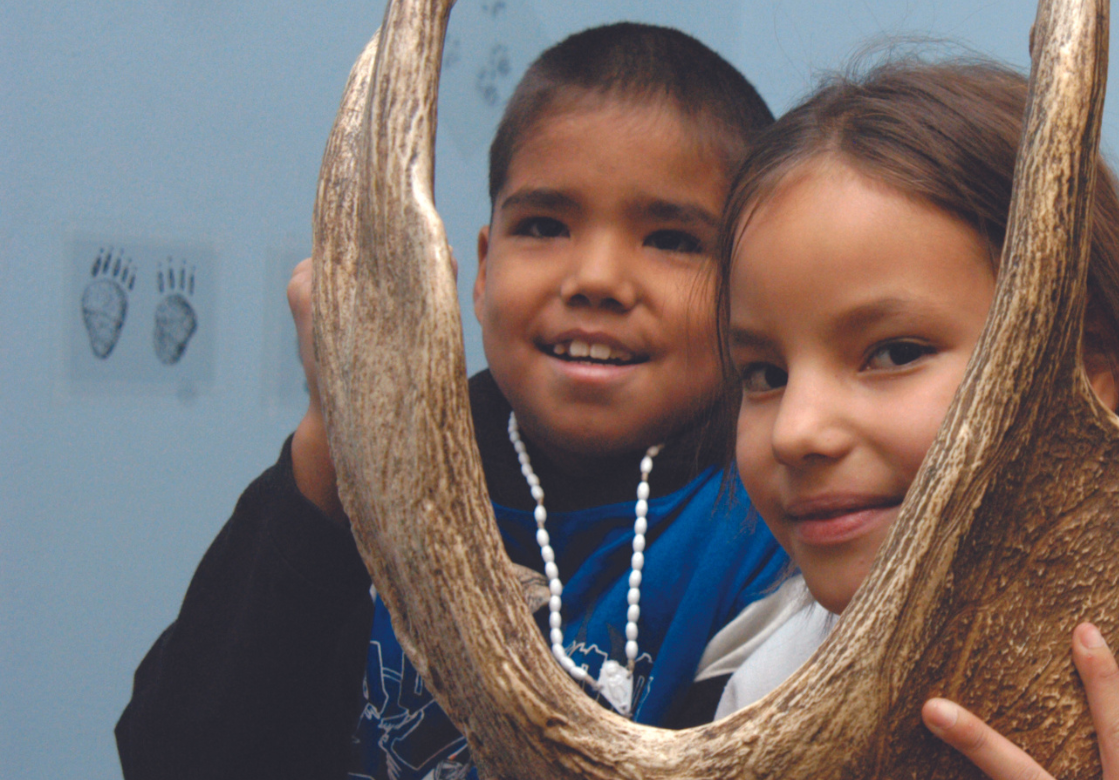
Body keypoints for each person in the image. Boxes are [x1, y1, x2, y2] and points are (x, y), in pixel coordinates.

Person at [115, 23, 790, 778]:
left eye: (670, 240)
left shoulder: (773, 515)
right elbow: (175, 755)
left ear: (749, 291)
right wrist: (336, 433)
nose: (596, 277)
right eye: (543, 226)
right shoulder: (376, 479)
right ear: (478, 269)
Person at [701, 57, 1119, 779]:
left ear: (1086, 364)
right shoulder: (763, 697)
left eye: (893, 352)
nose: (796, 430)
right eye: (764, 375)